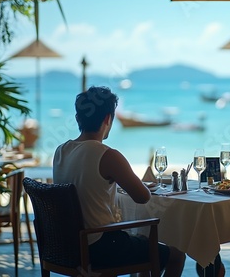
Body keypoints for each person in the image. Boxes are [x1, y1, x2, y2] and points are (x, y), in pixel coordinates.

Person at [53, 86, 186, 276]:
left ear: (77, 118)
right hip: (101, 247)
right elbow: (142, 197)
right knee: (176, 255)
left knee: (141, 238)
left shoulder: (61, 151)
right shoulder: (107, 155)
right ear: (108, 119)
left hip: (68, 246)